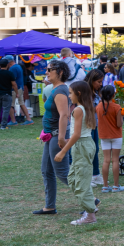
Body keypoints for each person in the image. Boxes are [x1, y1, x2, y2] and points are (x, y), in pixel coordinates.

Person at [54, 81, 100, 225]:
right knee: (74, 179)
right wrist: (68, 140)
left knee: (80, 182)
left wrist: (63, 151)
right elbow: (82, 132)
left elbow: (78, 134)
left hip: (82, 146)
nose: (69, 96)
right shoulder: (85, 107)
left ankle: (90, 216)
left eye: (70, 93)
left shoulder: (78, 110)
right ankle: (91, 204)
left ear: (78, 93)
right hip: (83, 144)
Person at [34, 60, 72, 215]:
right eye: (47, 69)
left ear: (60, 72)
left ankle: (91, 199)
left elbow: (64, 115)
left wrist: (62, 138)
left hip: (58, 136)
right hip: (51, 136)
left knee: (62, 172)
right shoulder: (55, 89)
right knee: (47, 170)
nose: (47, 72)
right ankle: (49, 206)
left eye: (50, 69)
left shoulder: (61, 90)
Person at [96, 85, 124, 193]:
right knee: (115, 160)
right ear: (113, 95)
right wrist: (122, 116)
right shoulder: (117, 107)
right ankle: (116, 186)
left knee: (106, 160)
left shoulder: (98, 107)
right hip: (116, 136)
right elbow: (118, 124)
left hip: (104, 136)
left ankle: (105, 185)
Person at [84, 69, 106, 188]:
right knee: (89, 150)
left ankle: (95, 174)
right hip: (87, 125)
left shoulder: (97, 93)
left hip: (95, 125)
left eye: (101, 81)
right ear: (91, 80)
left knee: (95, 149)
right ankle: (88, 176)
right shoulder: (85, 93)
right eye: (98, 81)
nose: (100, 84)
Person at [0, 58, 18, 130]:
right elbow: (14, 84)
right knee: (6, 110)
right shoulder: (10, 73)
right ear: (7, 65)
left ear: (0, 65)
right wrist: (17, 93)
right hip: (7, 93)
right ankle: (3, 125)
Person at [7, 56, 31, 125]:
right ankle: (29, 119)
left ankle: (13, 121)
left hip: (15, 88)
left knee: (10, 105)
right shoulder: (18, 66)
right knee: (22, 103)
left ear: (9, 62)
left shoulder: (12, 68)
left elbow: (12, 80)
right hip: (20, 87)